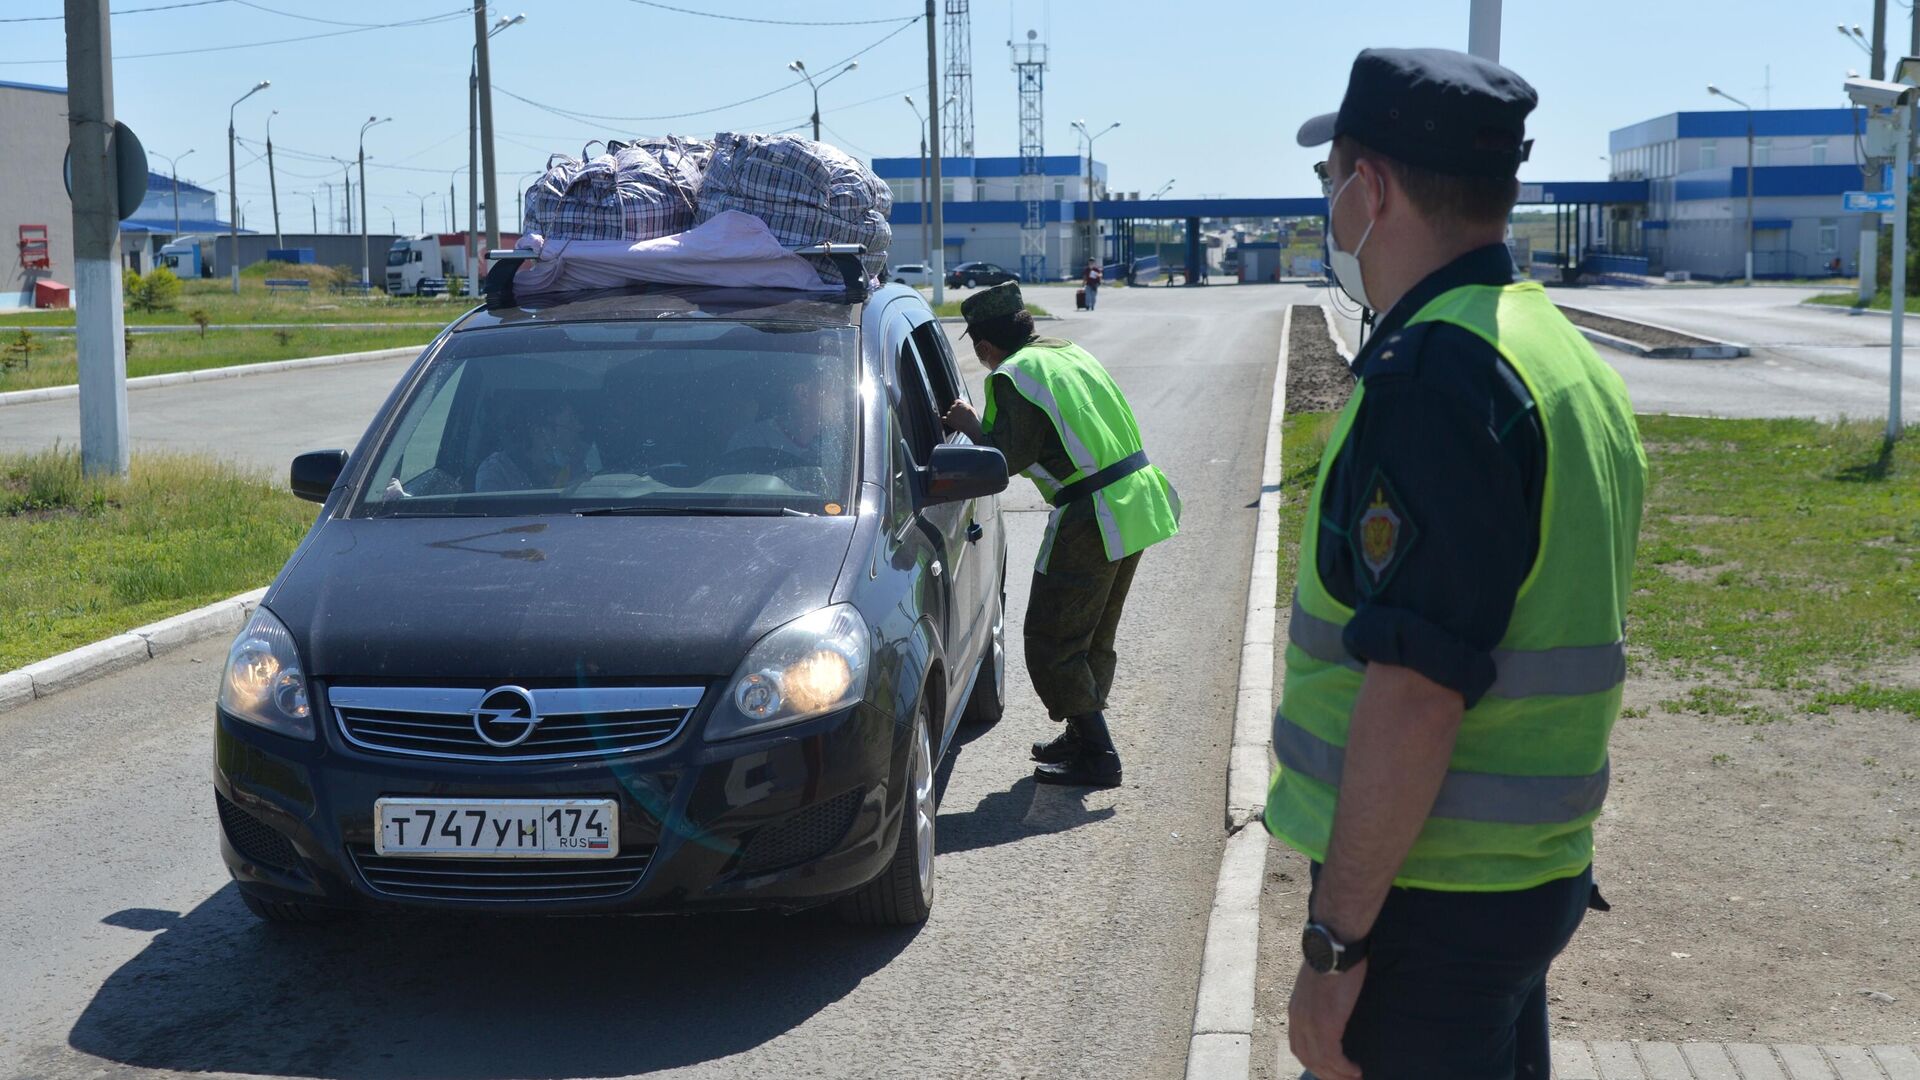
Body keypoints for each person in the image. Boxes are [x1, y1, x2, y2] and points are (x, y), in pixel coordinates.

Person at [1268, 47, 1648, 1080]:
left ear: (1370, 186)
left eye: (1328, 179)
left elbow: (1416, 692)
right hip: (1526, 879)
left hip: (1428, 904)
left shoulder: (1437, 378)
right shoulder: (1553, 351)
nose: (1329, 206)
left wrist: (1336, 943)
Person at [941, 282, 1180, 787]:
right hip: (1137, 499)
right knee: (1092, 633)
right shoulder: (1064, 351)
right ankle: (1082, 732)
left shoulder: (1012, 375)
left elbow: (1006, 459)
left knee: (1051, 638)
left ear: (984, 347)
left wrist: (968, 425)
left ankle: (1099, 755)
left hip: (1092, 514)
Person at [474, 398, 598, 492]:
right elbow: (492, 523)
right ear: (540, 432)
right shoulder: (498, 471)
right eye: (571, 421)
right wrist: (565, 493)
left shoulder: (583, 462)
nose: (580, 428)